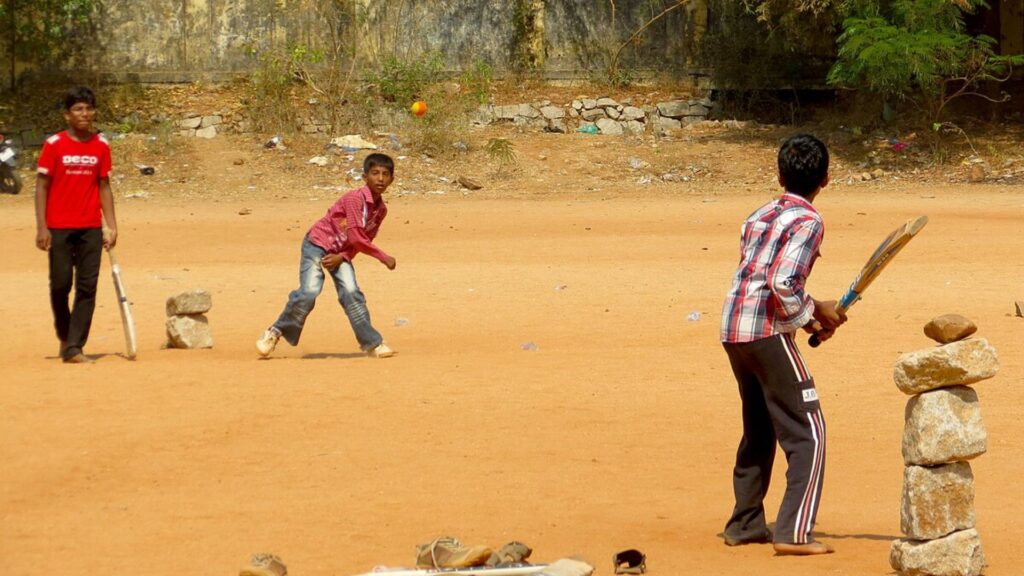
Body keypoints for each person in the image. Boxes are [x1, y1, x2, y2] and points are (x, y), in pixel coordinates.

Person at [719, 133, 846, 556]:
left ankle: (744, 524)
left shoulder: (759, 214)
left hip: (734, 329)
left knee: (760, 427)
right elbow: (783, 282)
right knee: (809, 432)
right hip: (766, 333)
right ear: (825, 179)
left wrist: (813, 315)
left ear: (779, 175)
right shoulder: (809, 221)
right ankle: (793, 532)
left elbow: (762, 277)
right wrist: (811, 316)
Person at [256, 152, 398, 359]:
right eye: (375, 173)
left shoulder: (380, 210)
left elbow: (363, 240)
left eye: (385, 174)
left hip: (340, 252)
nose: (380, 179)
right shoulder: (355, 198)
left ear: (392, 180)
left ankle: (373, 343)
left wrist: (343, 256)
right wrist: (383, 257)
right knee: (310, 291)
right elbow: (357, 237)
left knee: (351, 292)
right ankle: (274, 332)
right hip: (318, 244)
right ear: (365, 177)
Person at [35, 86, 118, 364]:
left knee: (87, 287)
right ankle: (65, 334)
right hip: (58, 227)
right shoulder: (54, 144)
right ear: (67, 115)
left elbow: (104, 186)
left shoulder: (101, 145)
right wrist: (42, 227)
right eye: (78, 109)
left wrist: (111, 225)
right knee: (60, 284)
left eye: (89, 108)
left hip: (90, 227)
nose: (85, 114)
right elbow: (41, 187)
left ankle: (74, 347)